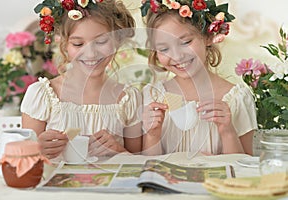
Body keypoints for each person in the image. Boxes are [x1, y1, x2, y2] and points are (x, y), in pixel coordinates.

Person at [21, 0, 142, 159]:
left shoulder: (128, 99)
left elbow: (138, 166)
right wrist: (37, 150)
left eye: (101, 41)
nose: (91, 53)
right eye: (78, 44)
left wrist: (120, 152)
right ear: (65, 45)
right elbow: (22, 163)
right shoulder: (42, 95)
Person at [141, 0, 257, 156]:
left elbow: (244, 167)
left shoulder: (237, 98)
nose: (176, 55)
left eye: (186, 42)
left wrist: (227, 131)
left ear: (208, 37)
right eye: (164, 48)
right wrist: (152, 135)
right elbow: (149, 168)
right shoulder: (154, 96)